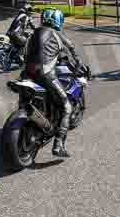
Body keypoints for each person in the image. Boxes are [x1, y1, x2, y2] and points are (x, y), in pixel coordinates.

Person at [24, 9, 88, 158]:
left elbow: (25, 53)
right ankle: (58, 145)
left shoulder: (34, 33)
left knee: (28, 99)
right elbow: (73, 52)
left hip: (26, 73)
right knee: (66, 106)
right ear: (59, 21)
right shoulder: (58, 35)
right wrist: (80, 67)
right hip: (44, 74)